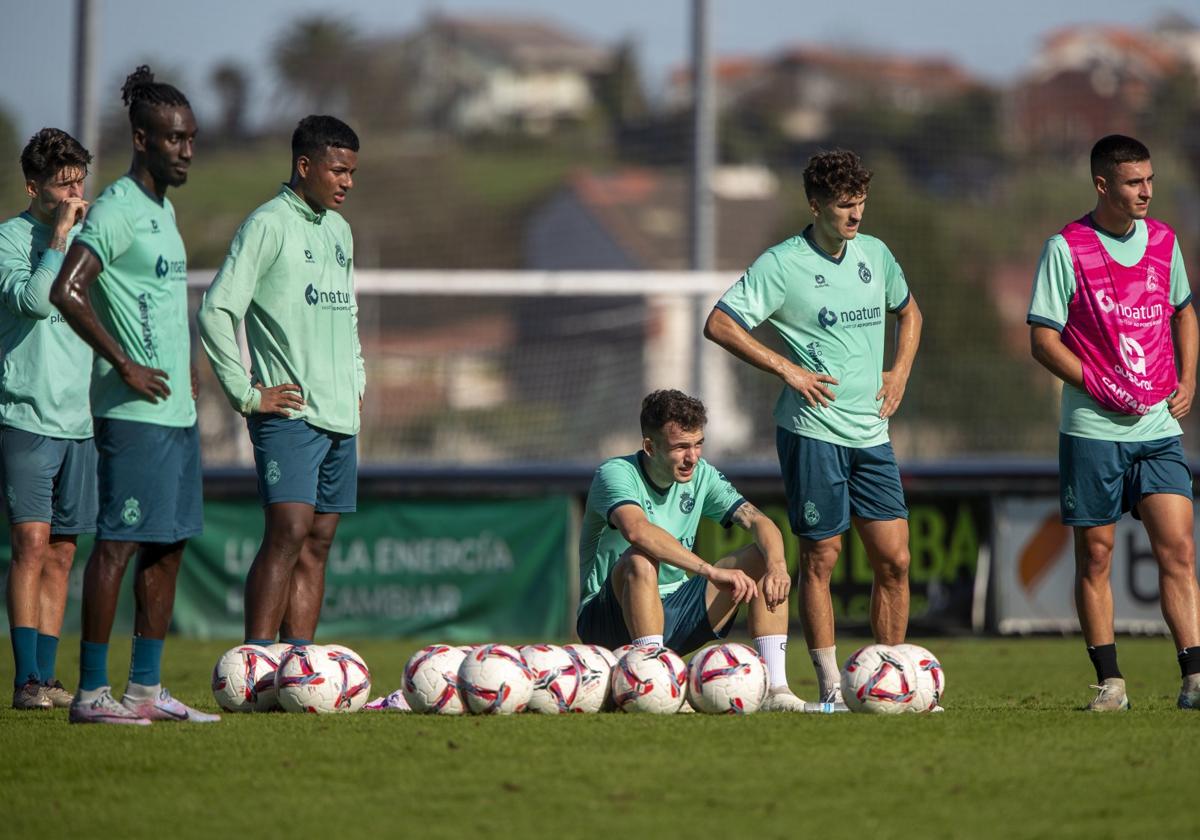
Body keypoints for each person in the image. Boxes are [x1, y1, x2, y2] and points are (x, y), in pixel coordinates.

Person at [704, 149, 922, 711]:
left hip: (871, 433)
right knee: (822, 558)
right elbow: (719, 323)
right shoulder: (782, 264)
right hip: (813, 432)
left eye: (861, 203)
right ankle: (831, 689)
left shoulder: (875, 253)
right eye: (845, 205)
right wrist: (788, 368)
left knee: (894, 560)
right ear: (816, 205)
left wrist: (898, 371)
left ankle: (889, 680)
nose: (856, 216)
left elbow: (910, 312)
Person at [50, 66, 217, 725]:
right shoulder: (117, 209)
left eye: (193, 138)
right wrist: (123, 364)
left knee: (168, 545)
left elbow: (160, 304)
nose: (188, 151)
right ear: (143, 139)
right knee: (117, 545)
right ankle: (92, 692)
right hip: (133, 414)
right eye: (176, 139)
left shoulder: (164, 212)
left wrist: (189, 367)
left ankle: (145, 691)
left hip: (177, 413)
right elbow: (67, 290)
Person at [1027, 134, 1200, 712]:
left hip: (1157, 429)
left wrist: (1188, 380)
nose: (1146, 191)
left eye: (1149, 180)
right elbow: (1043, 340)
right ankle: (1111, 683)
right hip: (1093, 431)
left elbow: (1184, 312)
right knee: (1095, 556)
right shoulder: (1067, 247)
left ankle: (1194, 678)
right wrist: (1097, 383)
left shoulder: (1164, 241)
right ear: (1103, 185)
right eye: (1133, 182)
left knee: (1177, 549)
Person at [197, 115, 363, 650]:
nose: (347, 182)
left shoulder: (340, 232)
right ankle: (255, 666)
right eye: (338, 170)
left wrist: (357, 377)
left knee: (318, 544)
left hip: (341, 415)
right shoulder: (267, 224)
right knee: (288, 533)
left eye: (352, 172)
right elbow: (217, 310)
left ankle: (300, 670)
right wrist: (246, 394)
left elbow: (350, 314)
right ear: (305, 165)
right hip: (288, 414)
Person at [577, 389, 805, 711]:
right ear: (650, 447)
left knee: (764, 558)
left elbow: (759, 522)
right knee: (640, 560)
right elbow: (637, 531)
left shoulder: (702, 475)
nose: (692, 457)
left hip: (675, 608)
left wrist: (779, 565)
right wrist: (710, 570)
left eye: (698, 444)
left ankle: (776, 692)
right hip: (607, 620)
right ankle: (653, 682)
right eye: (681, 447)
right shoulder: (614, 474)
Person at [0, 128, 95, 710]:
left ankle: (49, 679)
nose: (73, 193)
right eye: (62, 184)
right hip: (26, 413)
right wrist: (58, 239)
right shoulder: (11, 239)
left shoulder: (93, 240)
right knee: (30, 544)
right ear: (34, 186)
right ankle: (25, 680)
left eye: (79, 180)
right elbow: (36, 303)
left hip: (80, 418)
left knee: (63, 551)